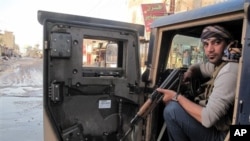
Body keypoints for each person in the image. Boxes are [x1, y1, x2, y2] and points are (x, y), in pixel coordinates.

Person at [156, 25, 240, 141]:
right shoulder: (222, 64)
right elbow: (199, 67)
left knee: (172, 110)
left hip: (225, 135)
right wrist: (190, 72)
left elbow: (207, 119)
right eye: (206, 44)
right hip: (221, 128)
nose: (210, 49)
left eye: (216, 42)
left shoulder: (229, 71)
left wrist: (176, 97)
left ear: (228, 45)